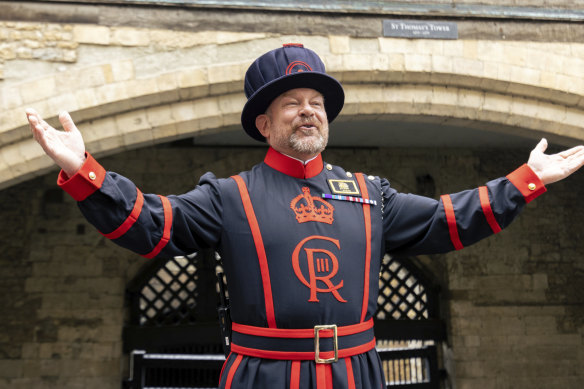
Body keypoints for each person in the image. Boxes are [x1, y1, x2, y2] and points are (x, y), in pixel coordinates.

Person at [26, 44, 584, 389]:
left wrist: (527, 179)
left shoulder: (370, 194)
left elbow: (451, 220)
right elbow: (152, 224)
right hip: (261, 377)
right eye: (291, 102)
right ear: (263, 125)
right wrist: (85, 170)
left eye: (316, 102)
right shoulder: (228, 196)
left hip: (358, 373)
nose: (308, 111)